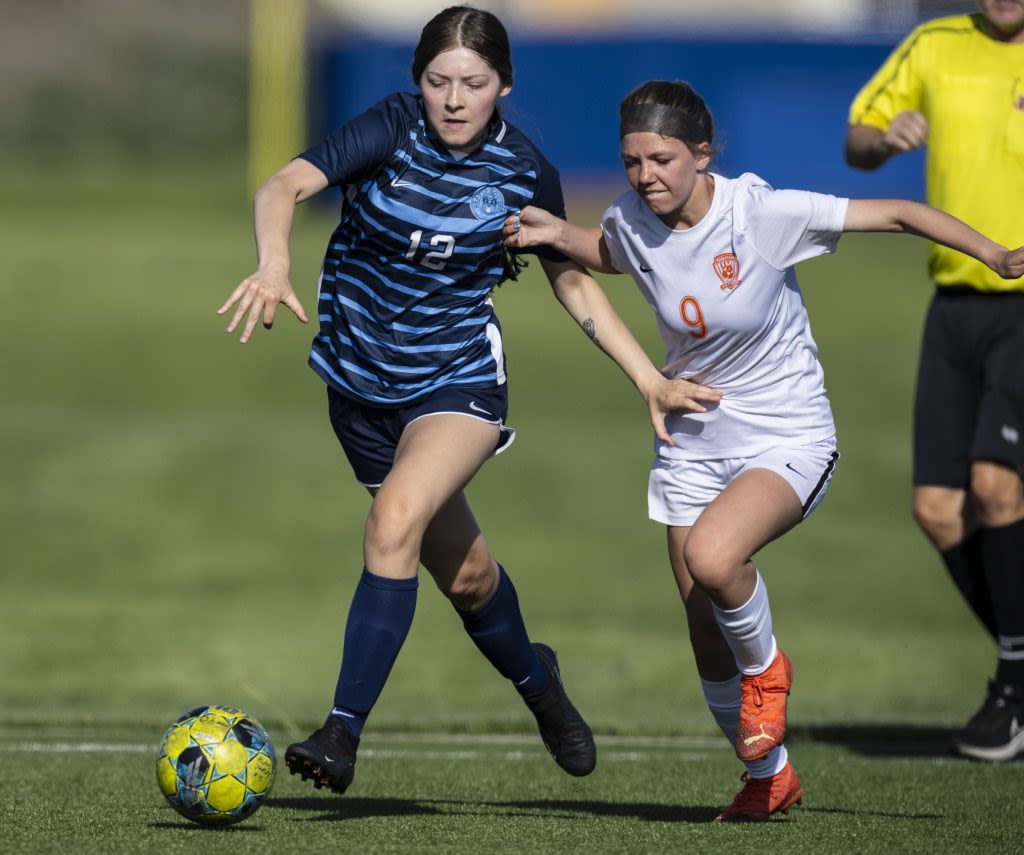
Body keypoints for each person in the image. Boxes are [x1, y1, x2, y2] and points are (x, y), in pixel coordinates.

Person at [218, 6, 707, 795]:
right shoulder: (388, 130)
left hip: (455, 383)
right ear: (418, 83)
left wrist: (646, 376)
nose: (453, 99)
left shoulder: (522, 171)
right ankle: (538, 680)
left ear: (502, 85)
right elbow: (285, 184)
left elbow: (572, 280)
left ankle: (341, 730)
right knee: (469, 576)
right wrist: (273, 264)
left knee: (394, 521)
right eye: (438, 81)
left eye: (472, 84)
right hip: (358, 389)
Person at [504, 79, 1024, 820]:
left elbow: (902, 211)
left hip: (786, 432)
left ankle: (769, 672)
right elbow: (616, 254)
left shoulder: (762, 214)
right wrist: (561, 236)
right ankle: (768, 777)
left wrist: (994, 254)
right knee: (703, 635)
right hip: (689, 437)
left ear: (702, 153)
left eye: (662, 158)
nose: (645, 175)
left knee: (715, 559)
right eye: (631, 161)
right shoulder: (631, 216)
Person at [844, 1, 1024, 762]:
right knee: (938, 508)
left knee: (994, 484)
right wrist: (884, 140)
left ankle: (1013, 690)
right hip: (953, 304)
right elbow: (856, 141)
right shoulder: (933, 45)